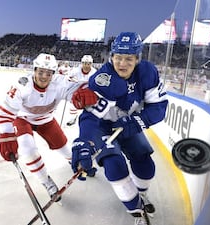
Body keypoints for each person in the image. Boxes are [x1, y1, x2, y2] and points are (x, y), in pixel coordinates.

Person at [70, 32, 168, 225]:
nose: (122, 63)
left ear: (138, 59)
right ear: (112, 57)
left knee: (146, 165)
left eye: (129, 59)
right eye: (118, 58)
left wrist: (137, 122)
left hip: (129, 125)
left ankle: (141, 195)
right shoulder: (102, 79)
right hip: (103, 127)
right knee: (115, 167)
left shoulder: (148, 72)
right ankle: (136, 210)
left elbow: (159, 107)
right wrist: (85, 140)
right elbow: (90, 116)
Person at [0, 53, 84, 202]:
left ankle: (75, 162)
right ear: (34, 70)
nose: (44, 76)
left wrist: (84, 95)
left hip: (46, 120)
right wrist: (6, 135)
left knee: (63, 146)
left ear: (53, 74)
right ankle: (46, 181)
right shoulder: (23, 85)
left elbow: (79, 90)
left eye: (48, 73)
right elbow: (5, 113)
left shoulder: (60, 84)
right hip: (23, 119)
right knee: (28, 150)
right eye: (41, 72)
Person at [65, 55, 97, 126]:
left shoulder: (94, 72)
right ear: (82, 63)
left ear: (91, 64)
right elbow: (67, 78)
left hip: (88, 91)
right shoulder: (75, 70)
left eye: (88, 64)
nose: (86, 65)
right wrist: (73, 81)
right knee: (73, 103)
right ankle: (72, 117)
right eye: (85, 63)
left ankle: (88, 119)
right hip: (77, 90)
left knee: (89, 105)